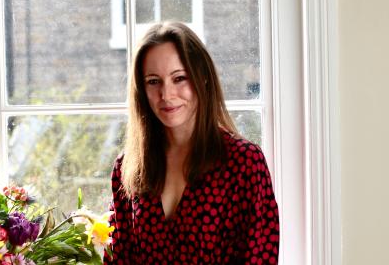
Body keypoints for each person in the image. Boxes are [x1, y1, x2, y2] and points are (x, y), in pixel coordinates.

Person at [104, 21, 279, 264]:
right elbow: (118, 259)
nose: (166, 94)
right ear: (141, 90)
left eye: (179, 78)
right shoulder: (128, 167)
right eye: (153, 81)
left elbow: (259, 257)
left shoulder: (244, 162)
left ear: (202, 78)